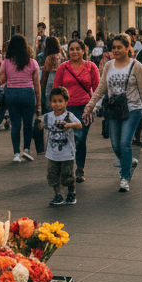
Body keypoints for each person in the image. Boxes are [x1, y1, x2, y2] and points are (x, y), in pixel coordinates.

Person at [82, 33, 142, 193]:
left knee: (125, 142)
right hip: (113, 110)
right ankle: (129, 161)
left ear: (128, 48)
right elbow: (101, 88)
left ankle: (124, 177)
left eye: (119, 47)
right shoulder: (109, 66)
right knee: (115, 144)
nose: (116, 50)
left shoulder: (136, 66)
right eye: (113, 47)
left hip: (133, 109)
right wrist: (90, 105)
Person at [53, 39, 100, 183]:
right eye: (71, 49)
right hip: (67, 109)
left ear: (83, 51)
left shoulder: (91, 67)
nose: (74, 52)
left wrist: (94, 106)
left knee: (80, 139)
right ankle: (67, 168)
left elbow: (98, 88)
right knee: (68, 139)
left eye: (77, 49)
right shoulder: (63, 67)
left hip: (85, 108)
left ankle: (79, 168)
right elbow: (56, 89)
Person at [0, 34, 40, 163]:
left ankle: (16, 153)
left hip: (12, 94)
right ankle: (26, 150)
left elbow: (1, 81)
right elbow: (37, 85)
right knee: (28, 124)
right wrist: (39, 103)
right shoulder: (32, 62)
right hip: (28, 94)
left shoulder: (6, 62)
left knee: (15, 125)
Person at [43, 87, 81, 207]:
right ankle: (58, 194)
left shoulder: (69, 115)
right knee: (52, 175)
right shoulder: (48, 116)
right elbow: (41, 124)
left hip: (67, 152)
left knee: (68, 175)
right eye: (54, 101)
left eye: (60, 101)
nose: (57, 104)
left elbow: (79, 125)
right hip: (52, 153)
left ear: (66, 102)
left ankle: (71, 192)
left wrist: (68, 125)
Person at [39, 36, 61, 114]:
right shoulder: (61, 55)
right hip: (60, 77)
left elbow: (46, 71)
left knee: (49, 96)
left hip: (50, 78)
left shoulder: (50, 57)